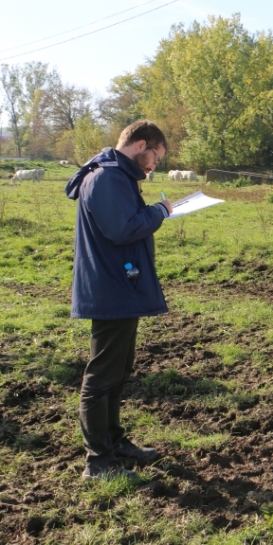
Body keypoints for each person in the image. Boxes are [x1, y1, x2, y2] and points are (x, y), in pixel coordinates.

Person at [65, 120, 174, 481]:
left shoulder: (117, 176)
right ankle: (98, 463)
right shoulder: (108, 177)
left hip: (120, 286)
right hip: (111, 289)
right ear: (140, 144)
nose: (154, 164)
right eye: (155, 156)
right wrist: (160, 212)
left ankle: (113, 441)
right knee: (102, 376)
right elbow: (123, 228)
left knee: (118, 371)